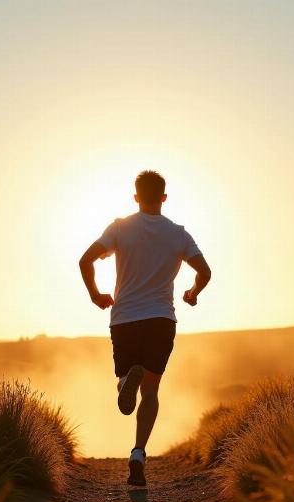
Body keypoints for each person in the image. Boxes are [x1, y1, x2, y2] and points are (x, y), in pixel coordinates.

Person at [79, 170, 211, 485]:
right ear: (164, 197)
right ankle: (138, 453)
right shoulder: (179, 234)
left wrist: (96, 295)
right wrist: (192, 293)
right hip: (161, 320)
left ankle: (125, 381)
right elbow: (205, 272)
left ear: (136, 197)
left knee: (127, 379)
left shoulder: (119, 228)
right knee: (150, 390)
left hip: (125, 318)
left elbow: (85, 260)